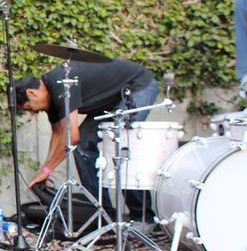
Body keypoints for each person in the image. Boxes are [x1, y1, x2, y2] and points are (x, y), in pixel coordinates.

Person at [13, 59, 159, 228]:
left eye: (28, 107)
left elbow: (71, 136)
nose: (32, 112)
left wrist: (47, 170)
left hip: (137, 86)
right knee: (83, 144)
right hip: (111, 100)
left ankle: (143, 217)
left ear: (32, 93)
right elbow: (58, 134)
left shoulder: (61, 84)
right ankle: (103, 214)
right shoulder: (51, 99)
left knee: (120, 146)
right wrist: (44, 170)